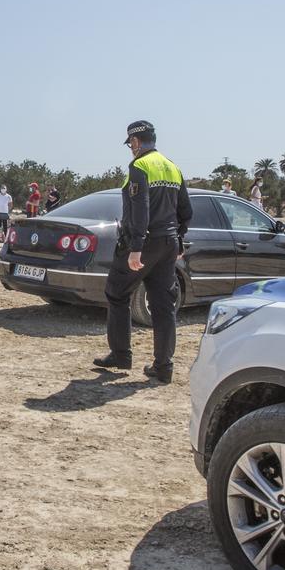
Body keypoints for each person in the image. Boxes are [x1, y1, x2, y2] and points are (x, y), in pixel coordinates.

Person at [93, 120, 192, 383]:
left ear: (136, 142)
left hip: (143, 243)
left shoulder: (139, 166)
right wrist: (179, 238)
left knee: (117, 292)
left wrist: (136, 247)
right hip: (168, 243)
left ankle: (121, 354)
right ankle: (163, 367)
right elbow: (186, 211)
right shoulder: (173, 168)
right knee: (163, 305)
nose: (130, 149)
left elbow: (141, 208)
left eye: (130, 144)